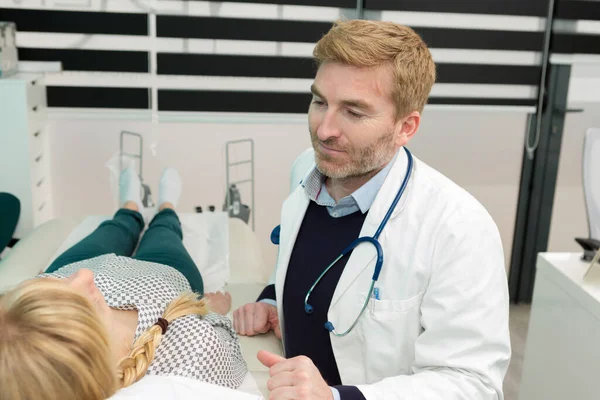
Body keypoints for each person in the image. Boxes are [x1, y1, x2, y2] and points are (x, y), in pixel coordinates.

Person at [232, 19, 511, 400]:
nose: (324, 129)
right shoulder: (308, 171)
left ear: (405, 127)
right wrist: (271, 298)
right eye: (319, 102)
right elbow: (306, 263)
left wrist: (337, 397)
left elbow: (471, 383)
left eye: (354, 112)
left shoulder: (459, 227)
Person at [0, 167, 247, 400]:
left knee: (117, 226)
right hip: (164, 274)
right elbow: (227, 349)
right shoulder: (193, 352)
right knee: (165, 231)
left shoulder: (20, 341)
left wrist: (43, 284)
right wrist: (210, 311)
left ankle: (131, 207)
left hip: (81, 263)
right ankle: (166, 207)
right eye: (79, 304)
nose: (84, 276)